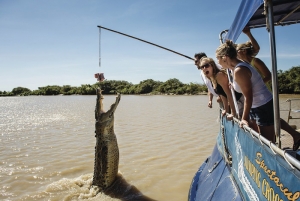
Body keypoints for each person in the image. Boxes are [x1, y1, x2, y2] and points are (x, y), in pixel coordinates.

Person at [215, 40, 300, 151]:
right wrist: (234, 85)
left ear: (225, 57)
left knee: (268, 143)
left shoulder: (239, 70)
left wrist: (244, 119)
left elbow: (248, 97)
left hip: (262, 105)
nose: (218, 61)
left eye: (218, 58)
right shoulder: (236, 67)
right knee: (262, 135)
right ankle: (296, 136)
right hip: (257, 105)